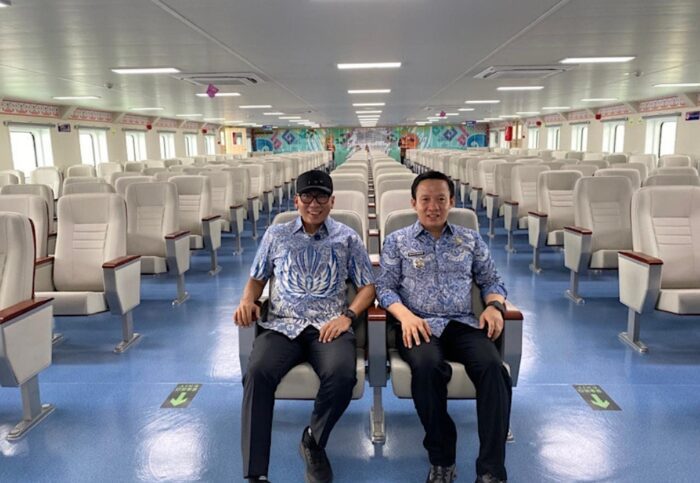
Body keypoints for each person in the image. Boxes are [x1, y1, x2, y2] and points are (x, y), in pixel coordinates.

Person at [234, 169, 375, 483]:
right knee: (258, 374)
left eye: (321, 196)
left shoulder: (347, 238)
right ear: (296, 200)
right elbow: (257, 278)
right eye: (307, 196)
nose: (314, 203)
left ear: (332, 201)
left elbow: (367, 287)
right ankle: (255, 473)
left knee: (342, 375)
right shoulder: (276, 235)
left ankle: (313, 440)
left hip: (329, 326)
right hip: (282, 326)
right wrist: (247, 301)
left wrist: (348, 317)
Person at [376, 170, 511, 483]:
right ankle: (442, 458)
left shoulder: (470, 239)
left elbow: (491, 280)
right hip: (418, 324)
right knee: (427, 369)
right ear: (414, 203)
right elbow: (384, 287)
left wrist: (494, 306)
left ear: (451, 201)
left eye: (440, 199)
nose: (433, 206)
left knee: (494, 370)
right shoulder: (397, 241)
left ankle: (491, 470)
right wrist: (405, 317)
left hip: (462, 322)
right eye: (425, 199)